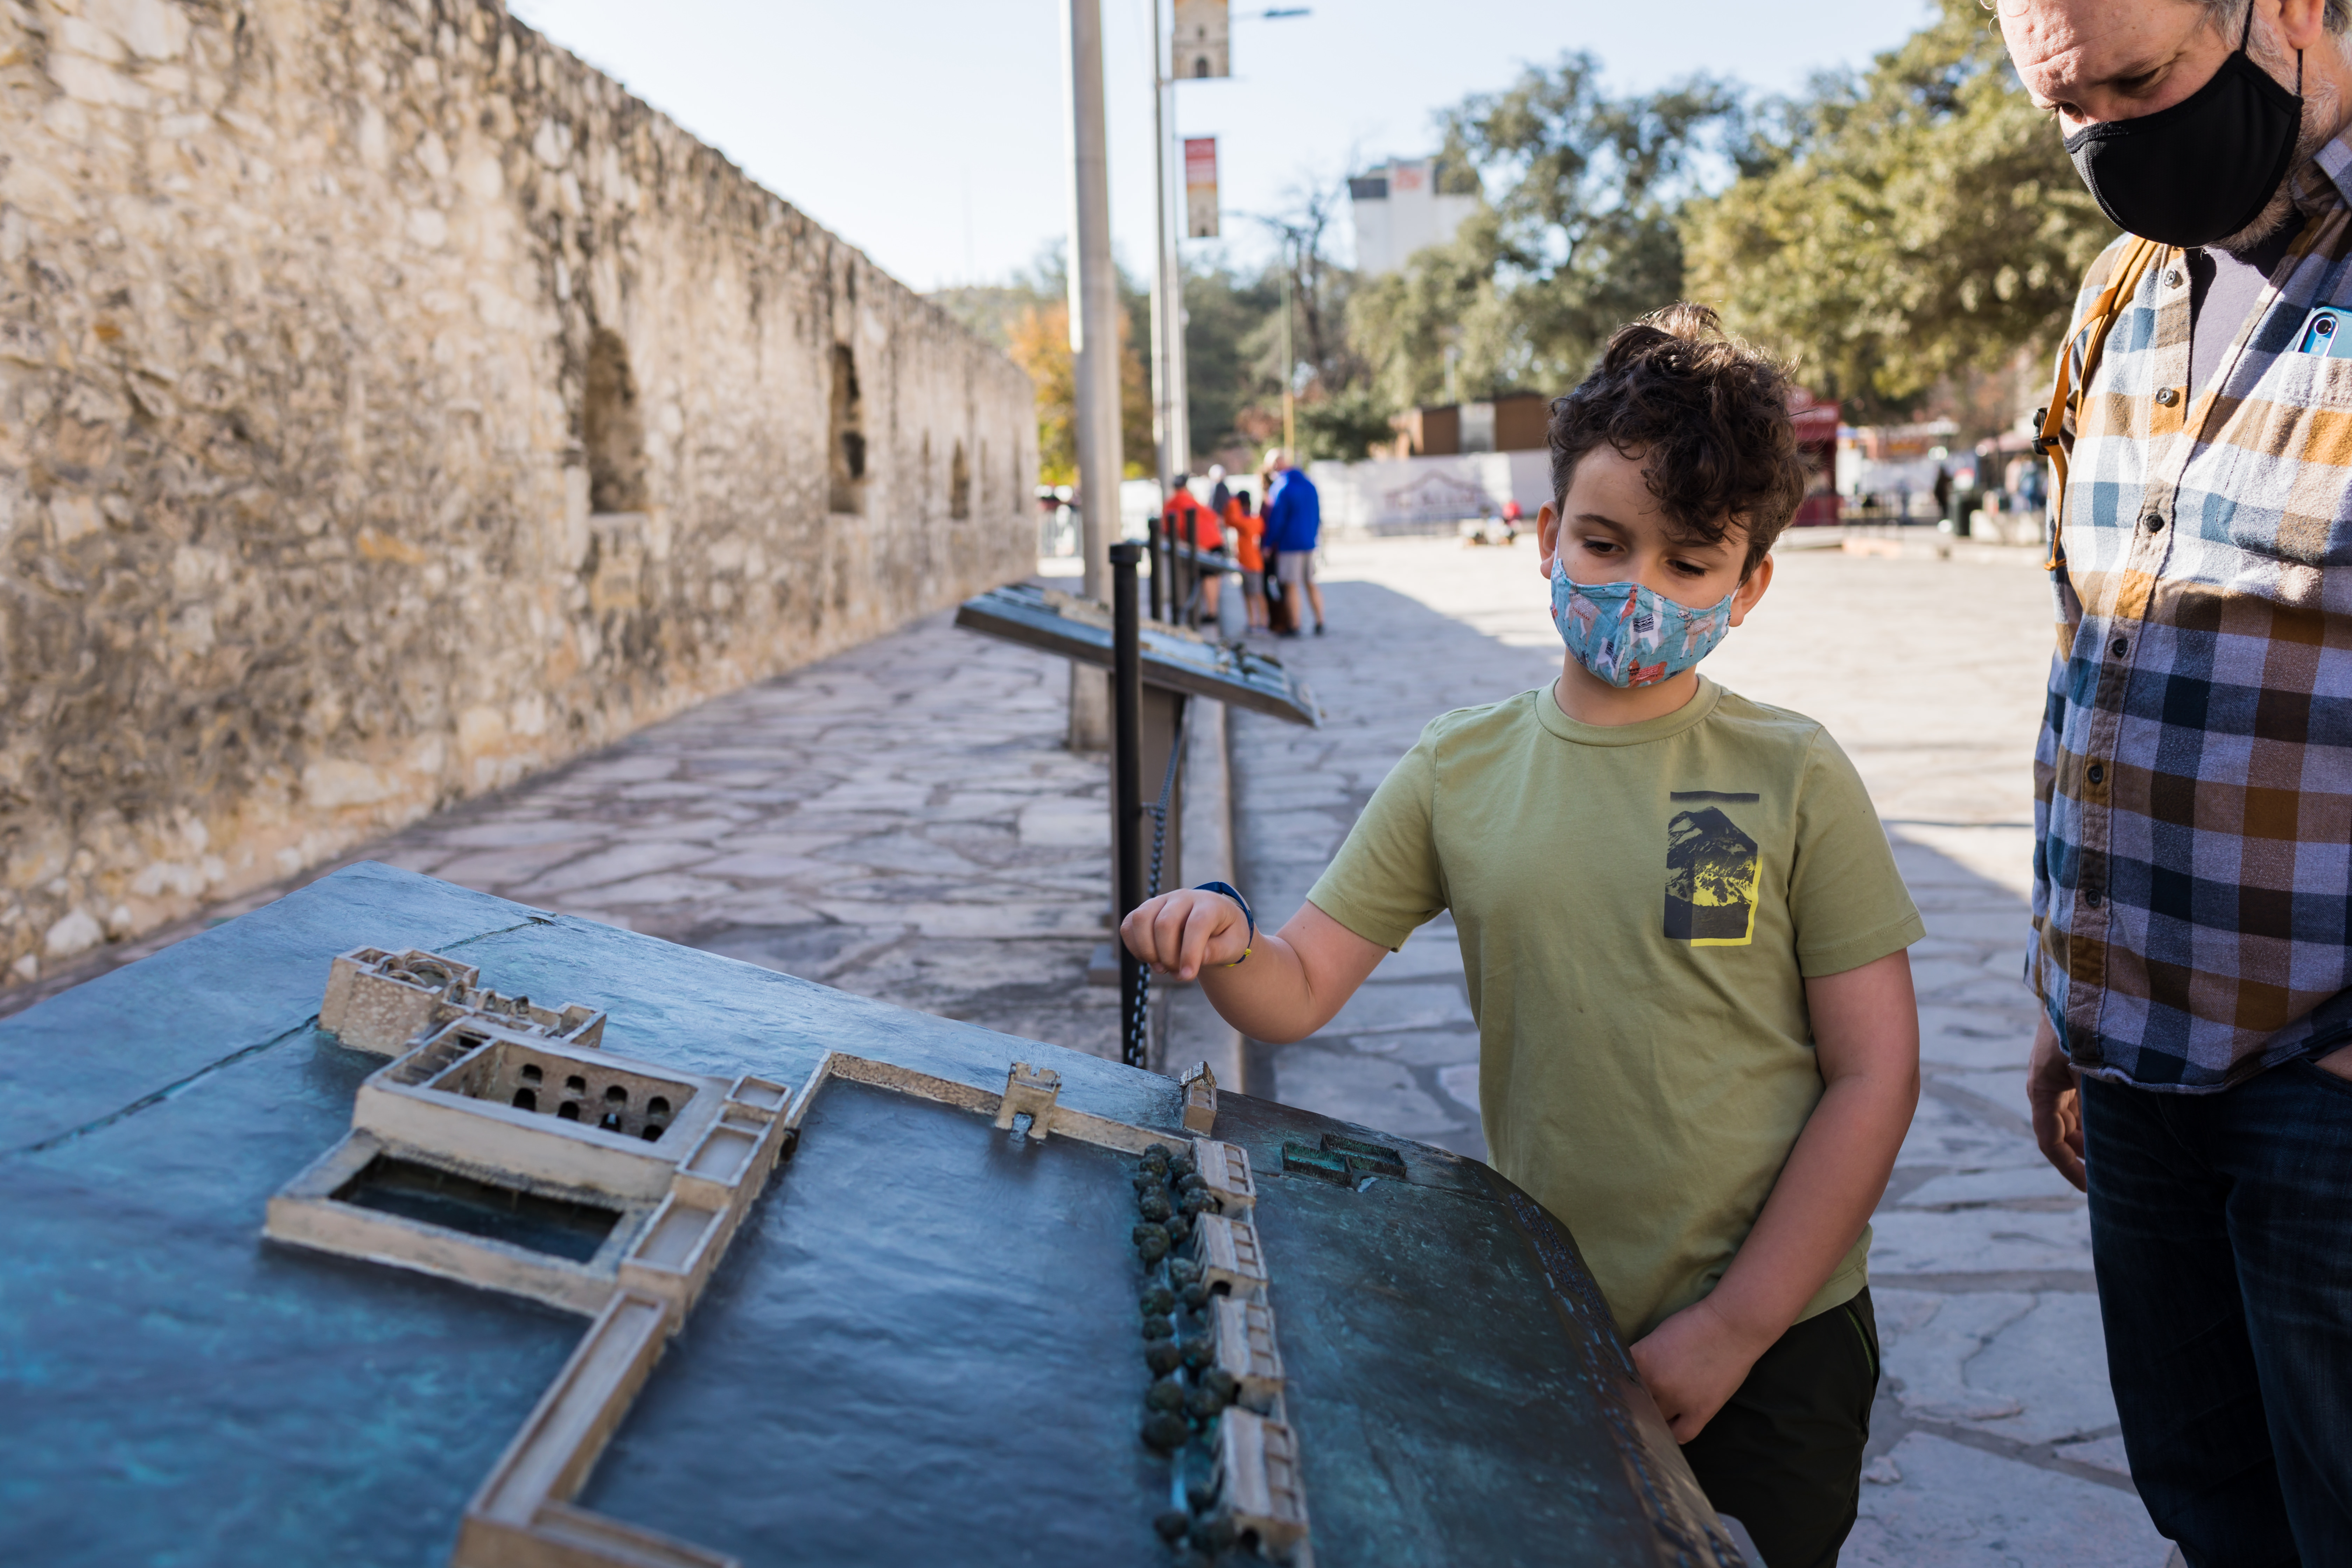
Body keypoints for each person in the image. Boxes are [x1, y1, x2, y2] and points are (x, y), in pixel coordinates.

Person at [1122, 305, 1924, 1567]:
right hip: (1549, 1321)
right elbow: (1295, 986)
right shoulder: (1458, 767)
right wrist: (1221, 935)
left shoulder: (1786, 774)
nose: (1635, 591)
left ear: (1747, 584)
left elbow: (1874, 1072)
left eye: (1686, 562)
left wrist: (1735, 1323)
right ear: (1544, 535)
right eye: (1602, 544)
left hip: (1780, 1341)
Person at [1998, 1, 2352, 1559]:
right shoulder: (2116, 297)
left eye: (2139, 83)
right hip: (2125, 1072)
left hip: (2324, 1093)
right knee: (2210, 1520)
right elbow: (2091, 638)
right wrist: (2060, 993)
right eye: (2068, 115)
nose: (2112, 148)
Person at [1261, 448, 1325, 635]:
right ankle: (1320, 621)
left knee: (1291, 585)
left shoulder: (1281, 486)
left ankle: (1295, 625)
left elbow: (1277, 520)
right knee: (1310, 582)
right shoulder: (1309, 484)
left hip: (1289, 544)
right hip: (1308, 542)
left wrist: (1268, 544)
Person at [1229, 486, 1268, 632]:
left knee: (1257, 593)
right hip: (1245, 562)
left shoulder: (1250, 521)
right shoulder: (1252, 520)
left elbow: (1232, 520)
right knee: (1248, 594)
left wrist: (1233, 503)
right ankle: (1253, 621)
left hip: (1253, 563)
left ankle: (1262, 622)